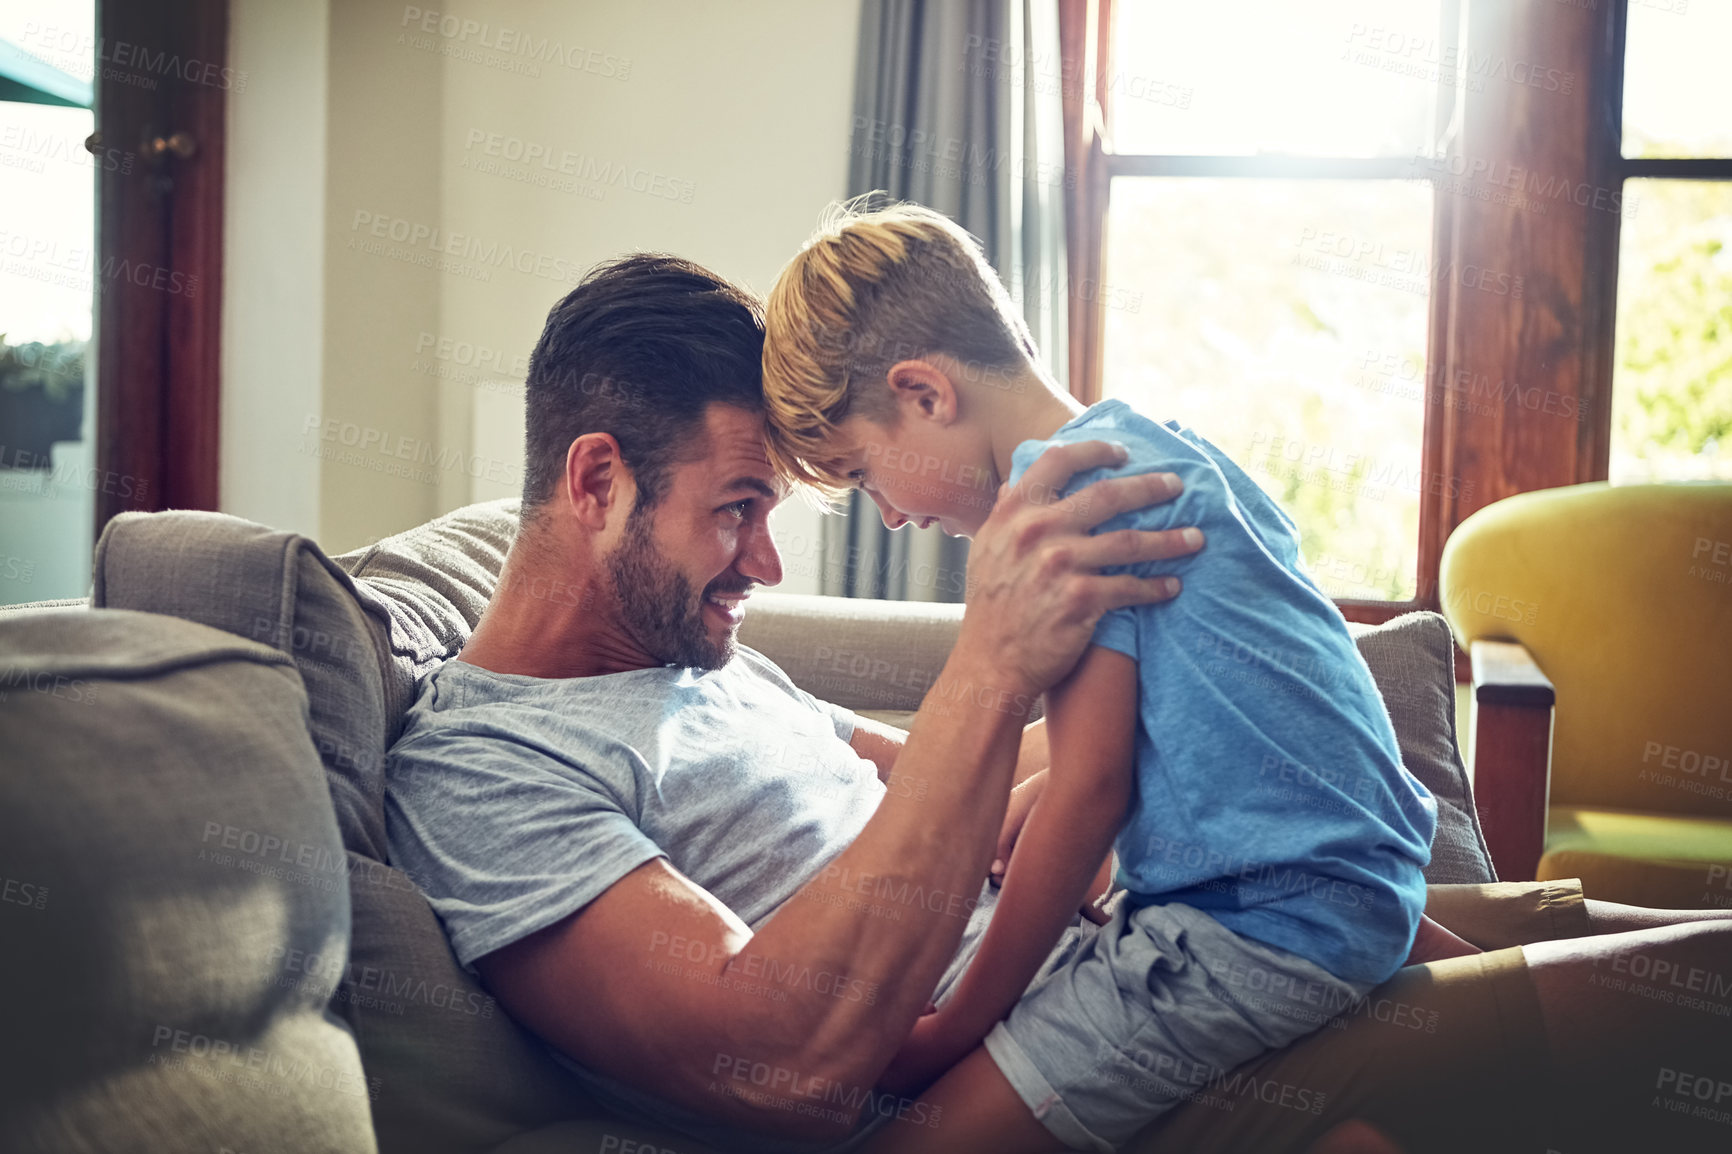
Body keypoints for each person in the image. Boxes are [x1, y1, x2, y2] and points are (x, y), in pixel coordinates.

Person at [386, 252, 1732, 1154]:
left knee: (1637, 929)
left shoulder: (706, 663)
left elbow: (971, 787)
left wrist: (1173, 681)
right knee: (1684, 997)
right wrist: (994, 657)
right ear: (597, 482)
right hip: (1081, 1049)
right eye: (738, 510)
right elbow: (772, 1053)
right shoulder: (485, 766)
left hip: (1131, 944)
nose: (770, 561)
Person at [757, 198, 1462, 1152]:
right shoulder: (1156, 446)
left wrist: (952, 1030)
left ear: (924, 394)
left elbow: (1093, 790)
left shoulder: (1061, 518)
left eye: (864, 471)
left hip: (1253, 931)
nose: (886, 515)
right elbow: (1181, 720)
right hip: (1352, 889)